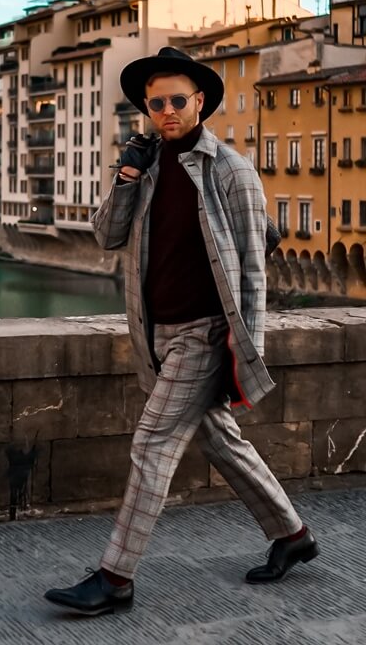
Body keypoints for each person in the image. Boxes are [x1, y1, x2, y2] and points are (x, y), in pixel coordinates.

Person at [44, 46, 318, 618]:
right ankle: (293, 536)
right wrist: (125, 176)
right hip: (157, 333)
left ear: (199, 103)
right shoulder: (144, 168)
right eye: (155, 103)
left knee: (153, 442)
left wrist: (246, 343)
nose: (166, 111)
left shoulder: (230, 168)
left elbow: (253, 257)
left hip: (204, 331)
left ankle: (115, 577)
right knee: (218, 438)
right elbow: (106, 236)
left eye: (176, 100)